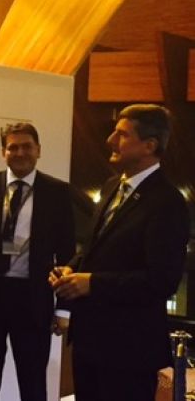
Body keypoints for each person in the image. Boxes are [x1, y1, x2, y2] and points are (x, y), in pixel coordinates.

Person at [50, 104, 190, 401]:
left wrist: (93, 283)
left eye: (122, 134)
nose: (110, 140)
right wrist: (72, 269)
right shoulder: (112, 186)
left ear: (149, 146)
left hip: (129, 352)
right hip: (90, 344)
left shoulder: (167, 202)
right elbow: (95, 247)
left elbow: (162, 280)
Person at [0, 122, 75, 401]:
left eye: (27, 146)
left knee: (33, 383)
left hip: (33, 299)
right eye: (13, 147)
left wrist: (64, 309)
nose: (20, 153)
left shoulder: (57, 191)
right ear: (3, 152)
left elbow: (67, 252)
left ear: (38, 150)